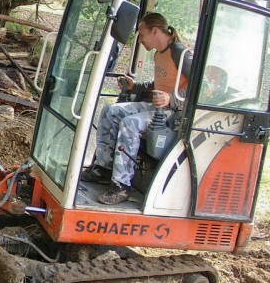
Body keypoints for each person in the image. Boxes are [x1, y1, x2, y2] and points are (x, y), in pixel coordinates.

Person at [82, 13, 192, 205]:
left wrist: (171, 98)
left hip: (175, 113)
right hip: (157, 106)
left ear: (155, 31)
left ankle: (121, 186)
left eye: (142, 35)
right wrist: (136, 87)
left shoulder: (180, 53)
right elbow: (160, 83)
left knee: (130, 123)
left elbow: (202, 87)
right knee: (110, 111)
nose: (140, 40)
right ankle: (104, 168)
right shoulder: (159, 54)